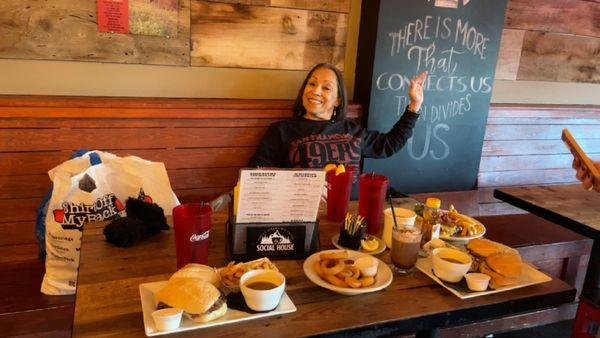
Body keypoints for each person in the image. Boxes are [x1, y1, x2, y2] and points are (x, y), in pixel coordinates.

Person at [248, 63, 427, 170]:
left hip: (350, 217)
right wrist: (300, 187)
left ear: (337, 100)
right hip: (304, 216)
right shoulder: (281, 131)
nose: (315, 91)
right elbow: (257, 171)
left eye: (326, 88)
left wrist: (415, 104)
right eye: (311, 84)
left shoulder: (352, 131)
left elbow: (389, 144)